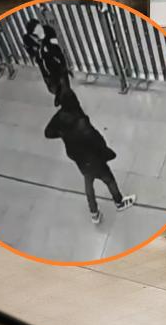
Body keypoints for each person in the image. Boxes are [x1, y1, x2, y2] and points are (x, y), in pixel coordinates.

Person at [44, 87, 136, 224]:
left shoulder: (59, 118)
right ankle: (119, 202)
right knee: (108, 178)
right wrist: (107, 153)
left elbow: (48, 133)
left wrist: (62, 134)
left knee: (88, 182)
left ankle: (94, 213)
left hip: (79, 159)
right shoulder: (81, 122)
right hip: (93, 158)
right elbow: (97, 141)